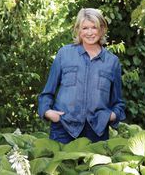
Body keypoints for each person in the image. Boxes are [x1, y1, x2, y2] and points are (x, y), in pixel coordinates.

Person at [38, 8, 125, 144]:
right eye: (85, 28)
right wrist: (49, 113)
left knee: (95, 167)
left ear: (102, 29)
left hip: (97, 133)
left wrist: (110, 116)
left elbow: (118, 102)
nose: (89, 33)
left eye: (94, 27)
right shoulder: (64, 54)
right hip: (63, 129)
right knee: (62, 166)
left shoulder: (112, 62)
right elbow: (47, 93)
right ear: (78, 30)